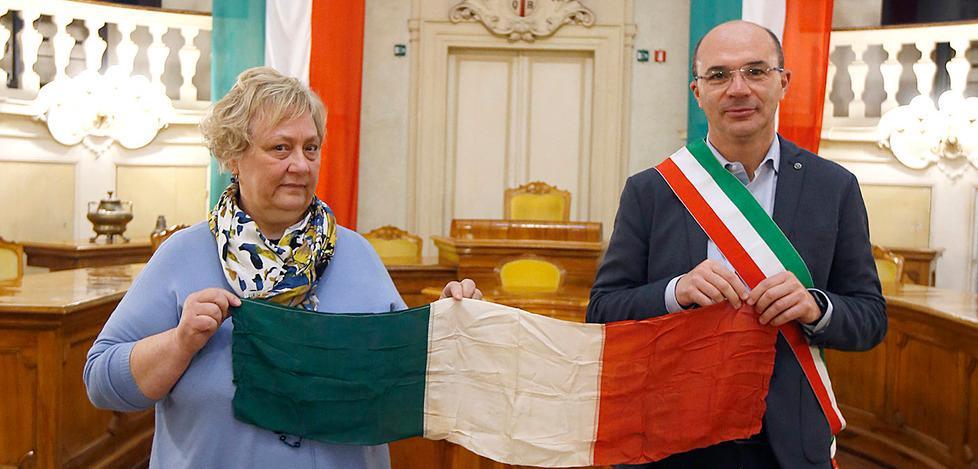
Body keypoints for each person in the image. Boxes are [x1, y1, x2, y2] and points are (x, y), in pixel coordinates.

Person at [84, 66, 481, 469]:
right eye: (280, 148)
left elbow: (415, 382)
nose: (301, 165)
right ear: (233, 156)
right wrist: (180, 342)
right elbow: (102, 384)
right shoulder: (182, 254)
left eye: (311, 148)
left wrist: (452, 329)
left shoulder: (358, 255)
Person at [586, 21, 886, 469]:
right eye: (719, 75)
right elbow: (603, 311)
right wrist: (675, 292)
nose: (738, 89)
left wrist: (815, 307)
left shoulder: (834, 187)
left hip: (787, 441)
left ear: (783, 82)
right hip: (672, 437)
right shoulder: (651, 191)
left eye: (756, 71)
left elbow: (870, 319)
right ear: (697, 91)